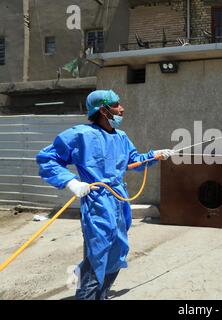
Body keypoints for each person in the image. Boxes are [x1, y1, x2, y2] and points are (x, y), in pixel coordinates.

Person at [36, 89, 174, 300]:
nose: (122, 109)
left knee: (117, 251)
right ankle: (88, 294)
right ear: (103, 110)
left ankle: (98, 291)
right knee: (98, 254)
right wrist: (71, 182)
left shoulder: (121, 137)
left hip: (119, 199)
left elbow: (132, 162)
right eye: (117, 104)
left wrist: (154, 155)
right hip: (97, 200)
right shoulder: (80, 135)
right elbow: (47, 158)